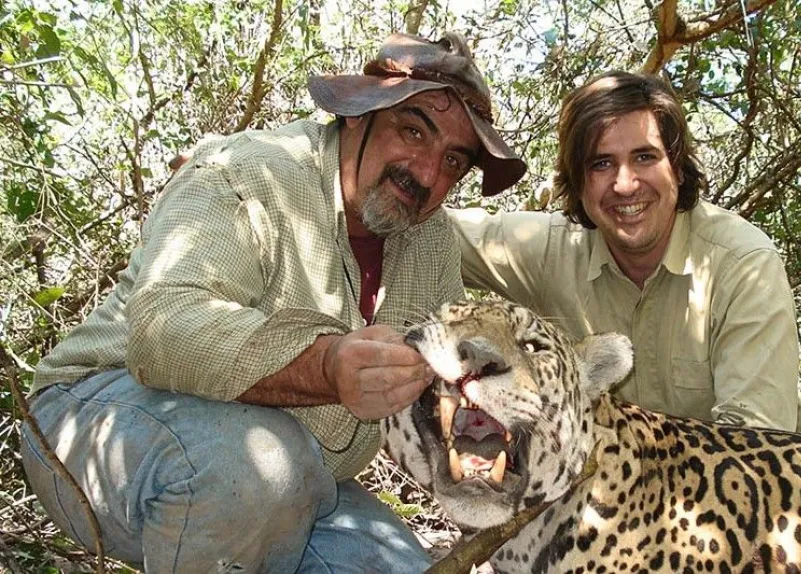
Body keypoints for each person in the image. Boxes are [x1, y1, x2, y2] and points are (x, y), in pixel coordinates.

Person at [20, 32, 526, 572]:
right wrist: (326, 365)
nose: (427, 173)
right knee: (254, 469)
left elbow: (441, 394)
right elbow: (162, 329)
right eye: (412, 130)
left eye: (453, 161)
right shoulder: (250, 170)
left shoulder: (431, 242)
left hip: (304, 471)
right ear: (357, 113)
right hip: (94, 414)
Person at [451, 71, 801, 433]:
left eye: (644, 157)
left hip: (743, 484)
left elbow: (757, 450)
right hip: (610, 485)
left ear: (678, 168)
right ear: (578, 181)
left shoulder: (742, 265)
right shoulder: (550, 250)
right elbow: (433, 224)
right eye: (601, 164)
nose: (625, 185)